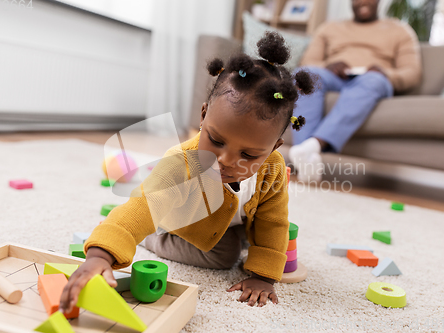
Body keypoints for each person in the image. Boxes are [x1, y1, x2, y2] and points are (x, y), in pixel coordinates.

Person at [59, 31, 315, 312]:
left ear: (274, 147)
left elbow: (273, 220)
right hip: (182, 224)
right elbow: (144, 205)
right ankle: (153, 237)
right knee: (226, 254)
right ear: (203, 115)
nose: (225, 160)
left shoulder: (274, 168)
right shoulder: (182, 162)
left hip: (233, 220)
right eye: (216, 141)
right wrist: (100, 255)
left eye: (249, 154)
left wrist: (264, 276)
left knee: (257, 237)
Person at [289, 0, 422, 182]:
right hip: (335, 77)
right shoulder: (329, 28)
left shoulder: (400, 31)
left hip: (372, 80)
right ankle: (307, 159)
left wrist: (385, 73)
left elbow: (412, 73)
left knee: (373, 80)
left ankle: (312, 146)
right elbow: (307, 63)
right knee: (304, 75)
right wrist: (328, 66)